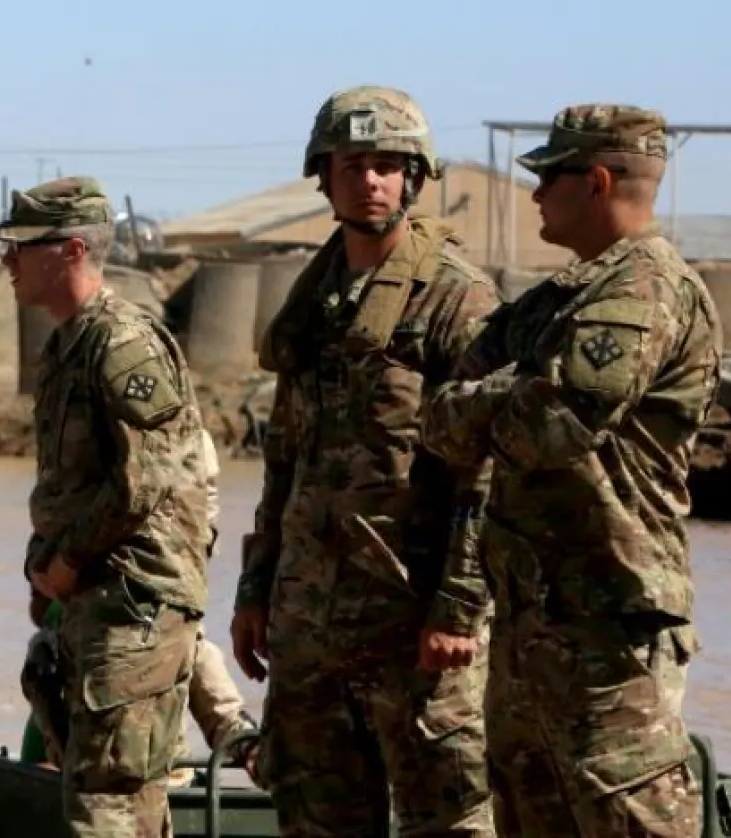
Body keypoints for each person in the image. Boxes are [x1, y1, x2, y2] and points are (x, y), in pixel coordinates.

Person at [420, 104, 723, 838]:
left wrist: (501, 396)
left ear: (594, 180)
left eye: (547, 177)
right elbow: (438, 422)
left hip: (609, 628)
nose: (533, 195)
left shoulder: (645, 289)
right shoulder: (557, 302)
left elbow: (550, 425)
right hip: (532, 626)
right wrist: (514, 388)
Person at [230, 85, 499, 837]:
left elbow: (485, 473)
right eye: (354, 165)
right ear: (324, 175)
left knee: (447, 823)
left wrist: (457, 609)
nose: (371, 181)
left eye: (389, 165)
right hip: (310, 627)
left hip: (412, 629)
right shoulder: (315, 306)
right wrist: (256, 590)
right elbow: (284, 460)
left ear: (414, 177)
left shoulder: (455, 301)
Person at [0, 175, 214, 837]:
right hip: (95, 598)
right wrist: (44, 564)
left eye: (22, 246)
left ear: (72, 250)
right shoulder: (67, 345)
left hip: (133, 602)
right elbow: (72, 481)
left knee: (107, 805)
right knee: (120, 805)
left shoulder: (121, 343)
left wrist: (70, 557)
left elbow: (152, 477)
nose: (8, 262)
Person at [20, 430, 258, 782]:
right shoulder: (59, 623)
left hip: (143, 790)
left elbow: (215, 698)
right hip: (68, 778)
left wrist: (246, 744)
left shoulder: (163, 623)